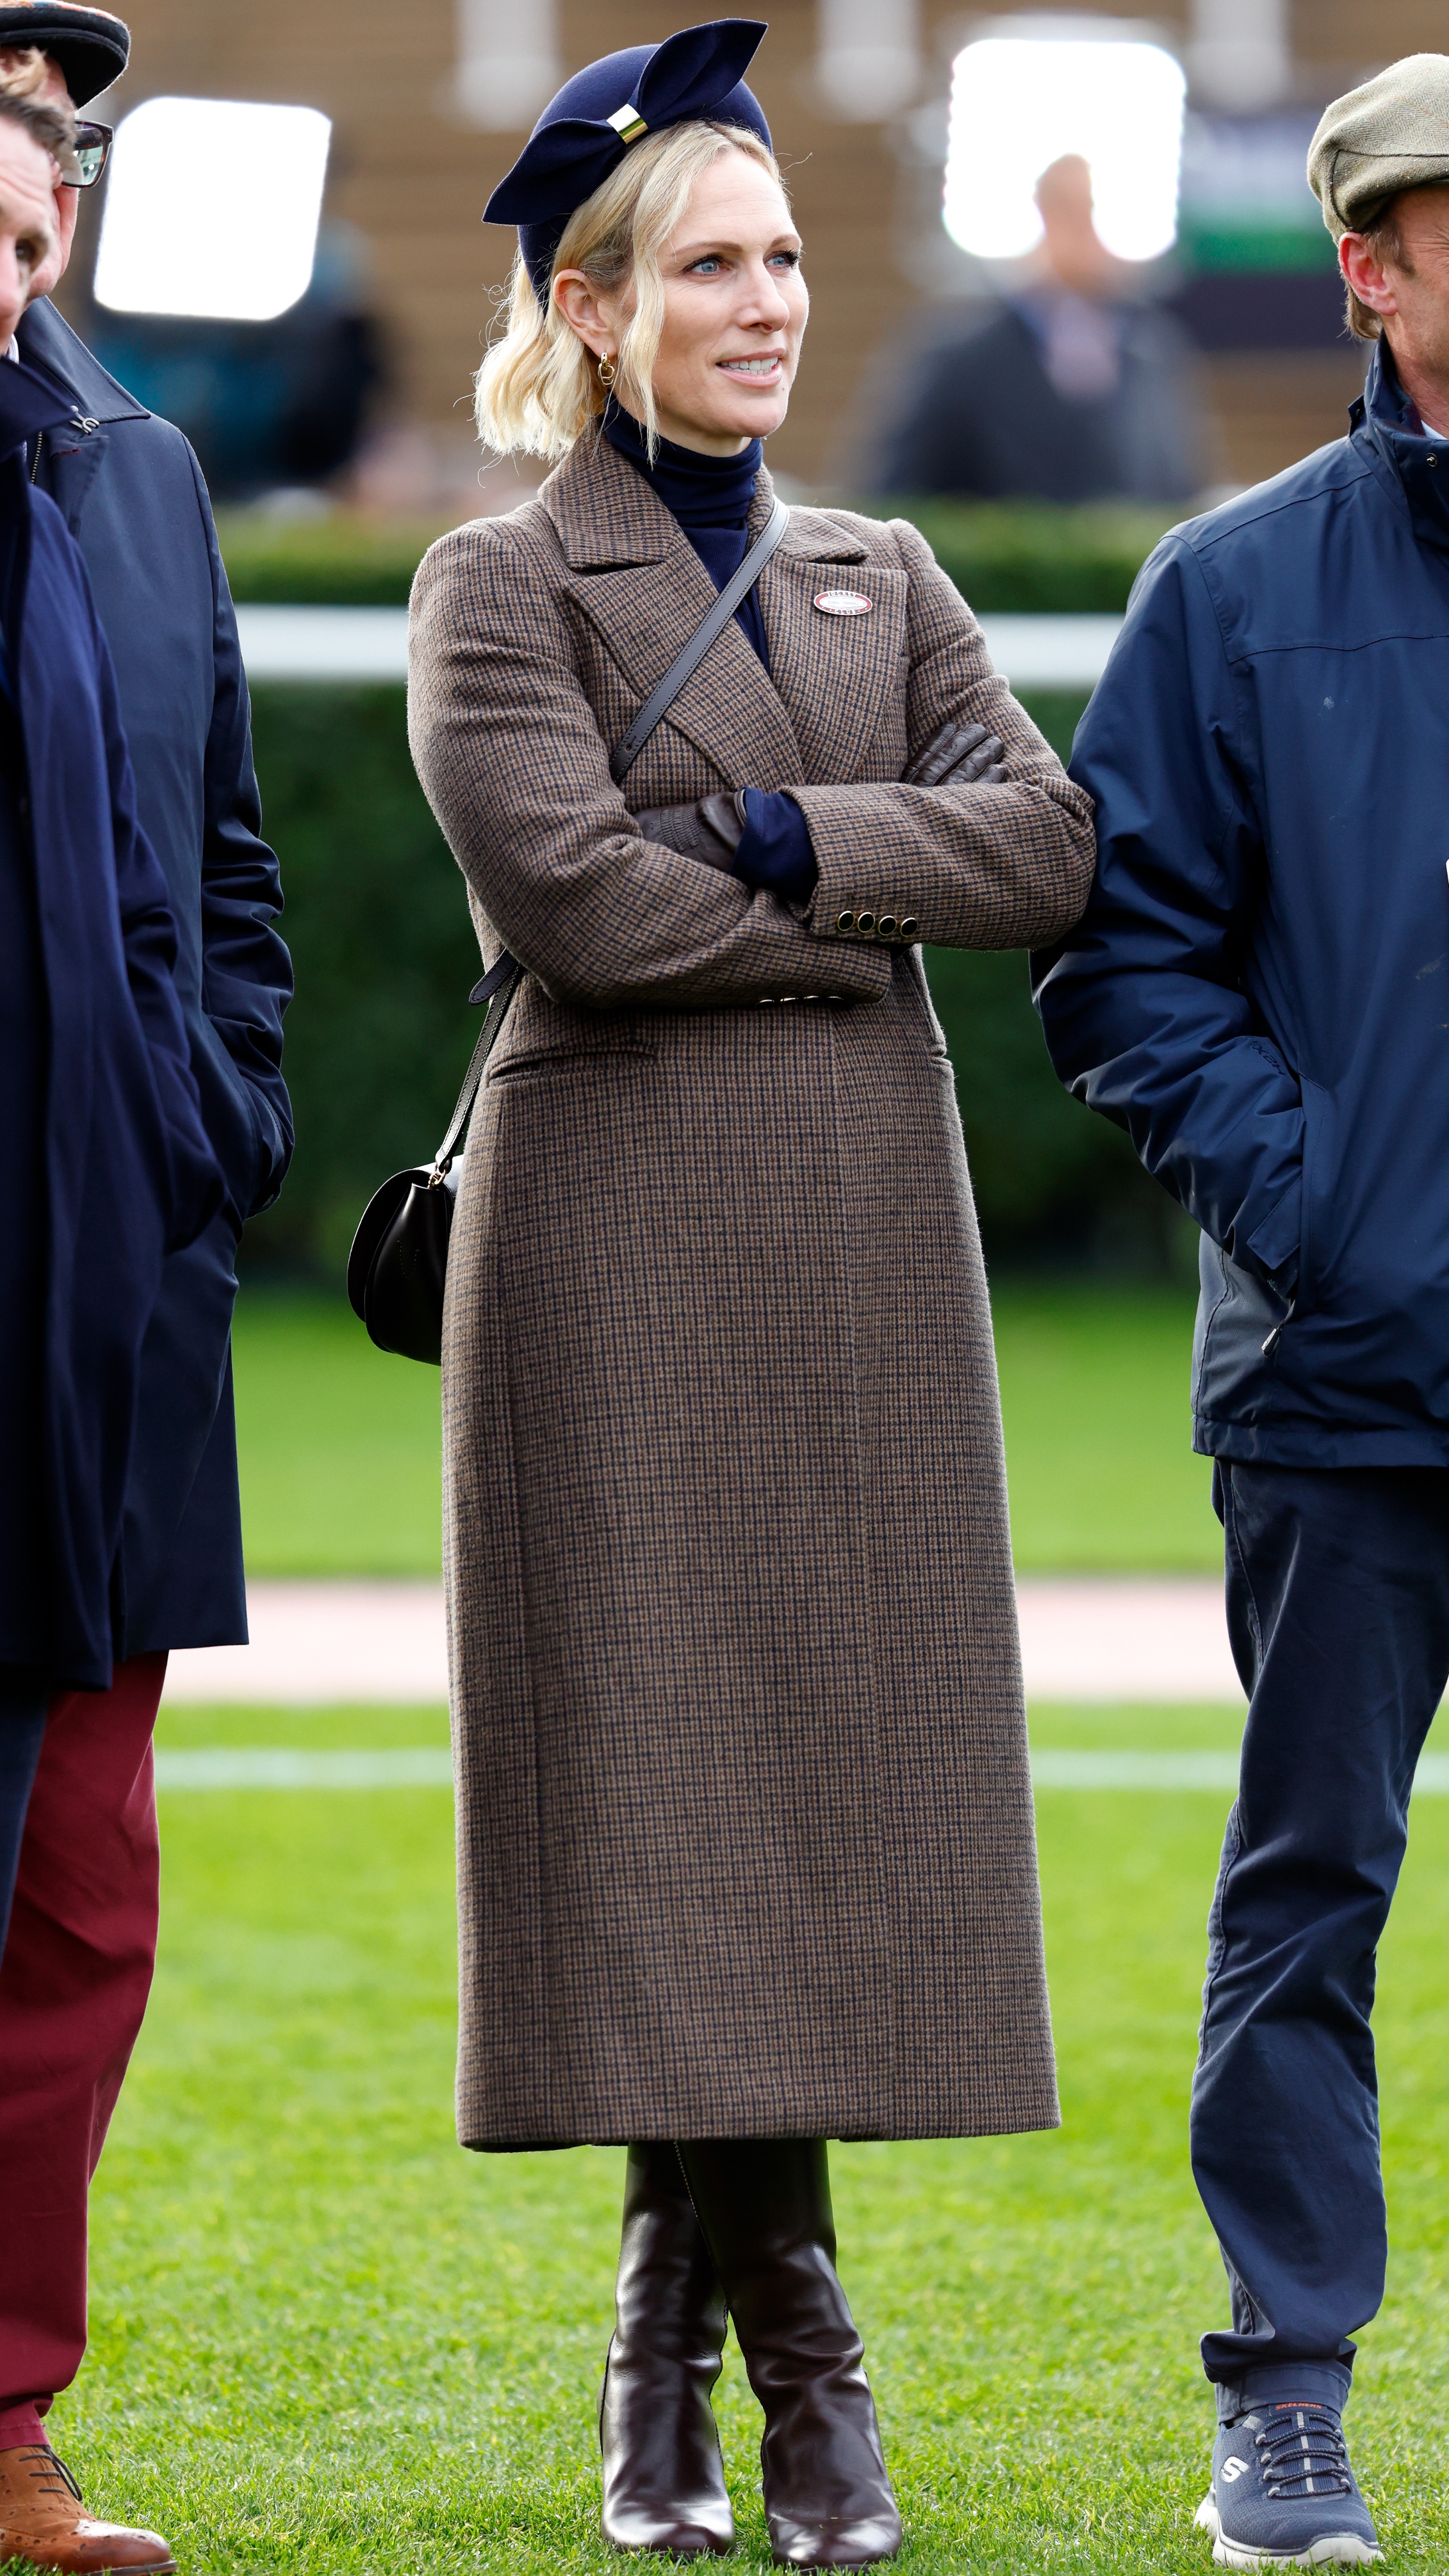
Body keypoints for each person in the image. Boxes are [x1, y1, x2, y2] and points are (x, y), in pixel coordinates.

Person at [408, 19, 1095, 2567]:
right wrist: (848, 899)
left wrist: (794, 824)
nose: (767, 300)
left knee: (804, 1788)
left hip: (849, 1258)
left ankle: (654, 2338)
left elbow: (1049, 848)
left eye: (787, 256)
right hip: (607, 1272)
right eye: (712, 261)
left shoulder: (877, 568)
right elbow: (561, 900)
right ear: (590, 307)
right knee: (666, 1787)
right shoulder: (493, 580)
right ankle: (794, 2350)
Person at [1033, 49, 1449, 2574]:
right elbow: (1123, 971)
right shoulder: (1226, 589)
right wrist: (1334, 1222)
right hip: (1338, 1380)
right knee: (1305, 1891)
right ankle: (1281, 2390)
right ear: (1369, 267)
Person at [0, 5, 292, 2561]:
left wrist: (222, 1119)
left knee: (82, 1906)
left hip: (116, 1324)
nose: (31, 194)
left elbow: (224, 855)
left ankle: (1, 2430)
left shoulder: (141, 471)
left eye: (47, 154)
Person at [868, 154, 1204, 505]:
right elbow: (894, 494)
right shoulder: (960, 353)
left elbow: (1179, 486)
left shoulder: (1152, 351)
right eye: (1077, 212)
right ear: (1048, 215)